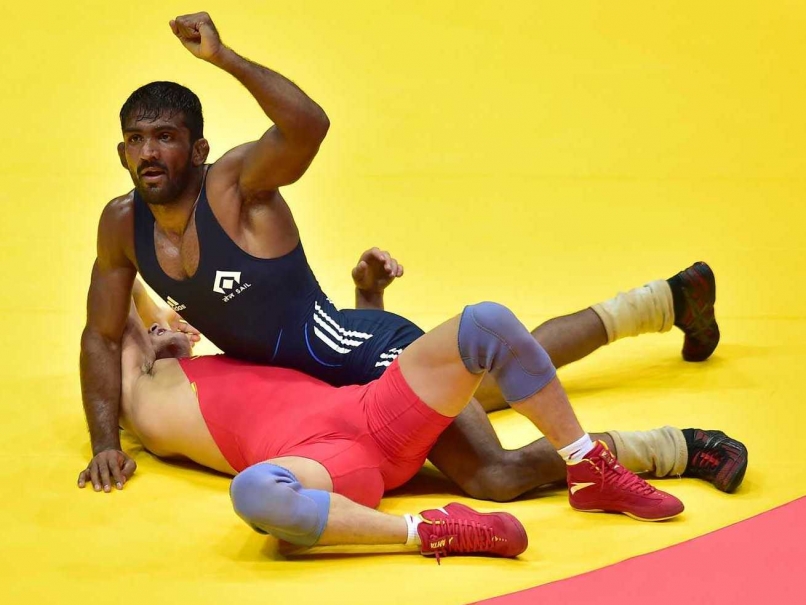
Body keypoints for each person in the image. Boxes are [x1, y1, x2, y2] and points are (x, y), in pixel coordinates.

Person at [79, 11, 726, 501]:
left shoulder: (236, 187)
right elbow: (101, 337)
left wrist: (224, 58)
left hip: (361, 353)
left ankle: (673, 447)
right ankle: (666, 300)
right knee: (500, 380)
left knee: (490, 472)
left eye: (166, 137)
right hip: (317, 387)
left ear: (197, 150)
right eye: (136, 139)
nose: (148, 152)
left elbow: (309, 126)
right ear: (121, 154)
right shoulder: (120, 226)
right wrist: (105, 444)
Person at [84, 298, 718, 562]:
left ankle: (590, 464)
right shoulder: (147, 398)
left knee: (486, 324)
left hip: (369, 410)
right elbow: (115, 297)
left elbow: (152, 301)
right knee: (255, 494)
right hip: (328, 463)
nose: (177, 328)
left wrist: (369, 295)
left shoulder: (216, 355)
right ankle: (431, 532)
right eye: (160, 328)